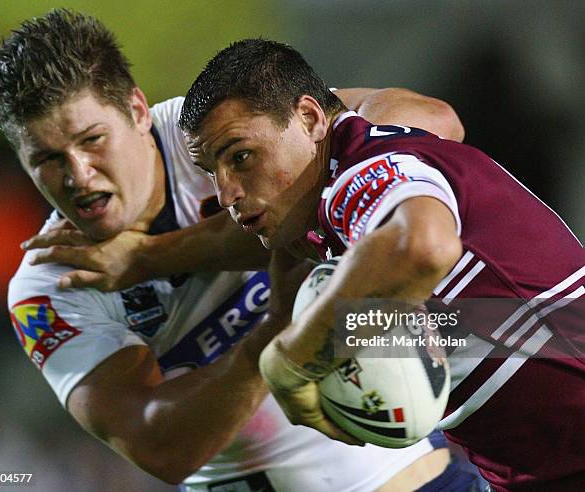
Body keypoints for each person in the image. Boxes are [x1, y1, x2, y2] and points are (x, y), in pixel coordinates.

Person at [0, 9, 475, 492]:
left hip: (415, 477)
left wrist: (165, 253)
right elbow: (160, 448)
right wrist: (280, 331)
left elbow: (431, 122)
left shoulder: (210, 134)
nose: (78, 176)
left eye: (92, 140)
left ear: (136, 110)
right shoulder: (46, 286)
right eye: (47, 159)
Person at [177, 38, 584, 491]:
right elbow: (487, 321)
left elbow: (421, 247)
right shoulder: (342, 212)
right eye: (212, 171)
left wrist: (291, 359)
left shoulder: (360, 174)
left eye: (241, 157)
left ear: (310, 119)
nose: (226, 192)